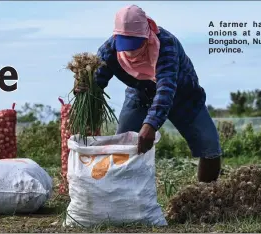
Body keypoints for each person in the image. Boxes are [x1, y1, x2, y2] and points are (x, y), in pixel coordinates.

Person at [75, 5, 222, 183]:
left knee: (210, 147)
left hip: (182, 95)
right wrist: (84, 88)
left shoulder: (166, 45)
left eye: (135, 43)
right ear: (116, 36)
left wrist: (151, 124)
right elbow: (96, 83)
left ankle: (205, 195)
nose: (130, 51)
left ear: (147, 33)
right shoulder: (109, 50)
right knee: (123, 147)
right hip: (140, 94)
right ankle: (122, 193)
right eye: (125, 43)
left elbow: (166, 88)